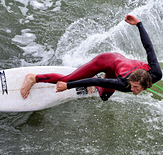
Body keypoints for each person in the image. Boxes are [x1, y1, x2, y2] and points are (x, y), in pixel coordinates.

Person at [21, 15, 162, 101]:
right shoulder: (124, 83)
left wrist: (139, 24)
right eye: (133, 85)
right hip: (106, 61)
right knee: (65, 80)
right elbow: (97, 80)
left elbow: (149, 47)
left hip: (118, 66)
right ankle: (34, 78)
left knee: (104, 97)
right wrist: (68, 86)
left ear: (145, 84)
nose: (132, 89)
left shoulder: (156, 72)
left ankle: (91, 87)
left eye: (136, 87)